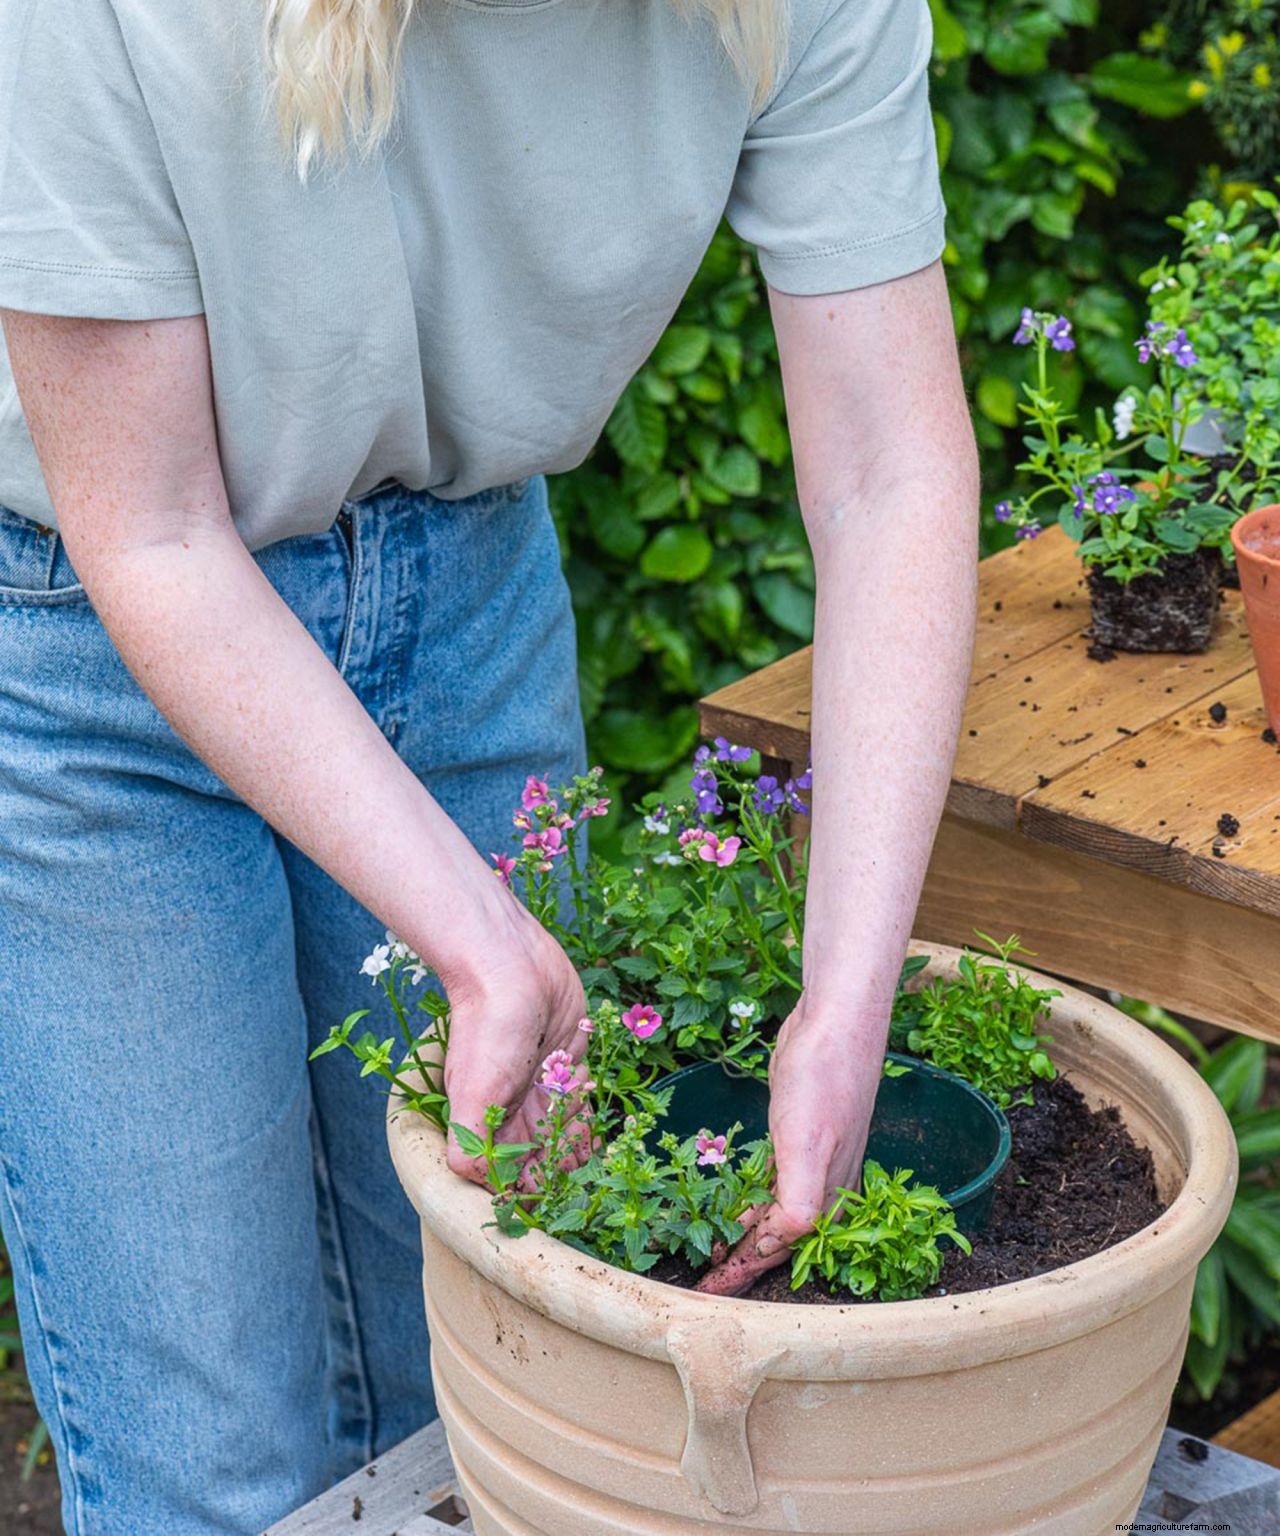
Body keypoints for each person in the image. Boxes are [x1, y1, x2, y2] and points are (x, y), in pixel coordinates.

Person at [0, 0, 977, 1530]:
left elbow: (890, 470)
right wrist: (480, 945)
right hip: (79, 643)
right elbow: (154, 529)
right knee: (217, 1465)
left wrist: (846, 1005)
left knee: (500, 1397)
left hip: (466, 595)